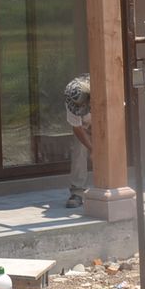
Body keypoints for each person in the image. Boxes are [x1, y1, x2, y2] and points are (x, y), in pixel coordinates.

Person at [64, 73, 93, 209]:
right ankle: (77, 192)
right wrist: (92, 148)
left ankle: (114, 187)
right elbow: (77, 128)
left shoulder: (103, 87)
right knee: (79, 149)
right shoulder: (72, 96)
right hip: (85, 125)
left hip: (107, 120)